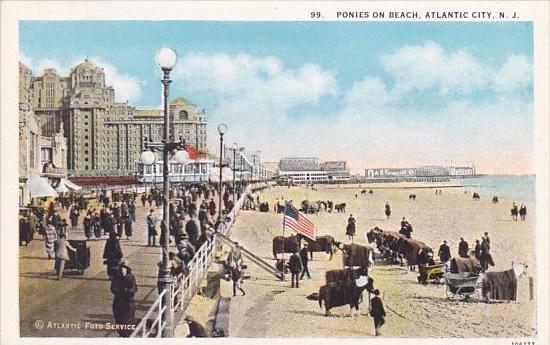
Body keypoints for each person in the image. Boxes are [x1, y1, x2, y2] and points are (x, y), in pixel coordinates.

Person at [110, 261, 138, 337]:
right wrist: (122, 290)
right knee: (119, 321)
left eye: (124, 270)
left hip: (128, 303)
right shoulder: (116, 277)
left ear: (127, 270)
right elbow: (112, 289)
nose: (122, 271)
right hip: (118, 303)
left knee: (127, 322)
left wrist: (125, 290)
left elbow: (134, 289)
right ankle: (122, 334)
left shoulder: (131, 277)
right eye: (121, 270)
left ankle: (126, 336)